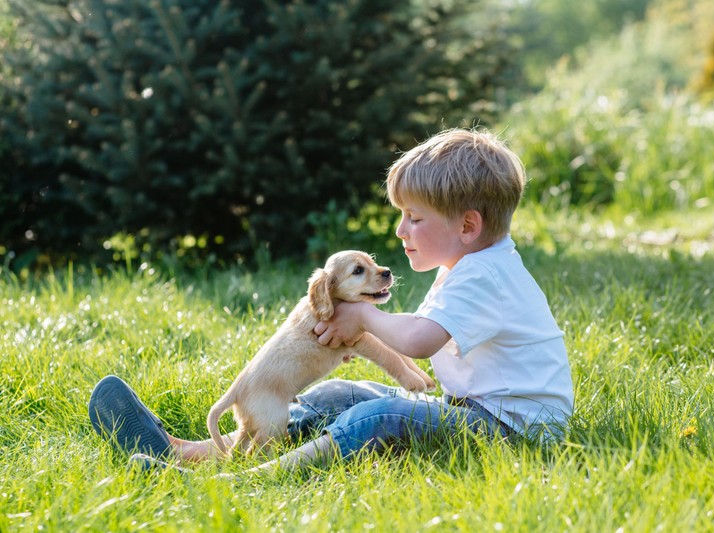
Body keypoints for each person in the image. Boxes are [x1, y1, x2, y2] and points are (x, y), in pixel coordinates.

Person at [89, 128, 574, 476]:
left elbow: (421, 340)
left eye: (414, 218)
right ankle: (189, 450)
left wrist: (362, 313)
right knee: (337, 396)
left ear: (467, 226)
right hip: (471, 410)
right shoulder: (467, 266)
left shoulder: (485, 275)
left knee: (375, 417)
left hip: (513, 432)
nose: (400, 230)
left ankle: (240, 478)